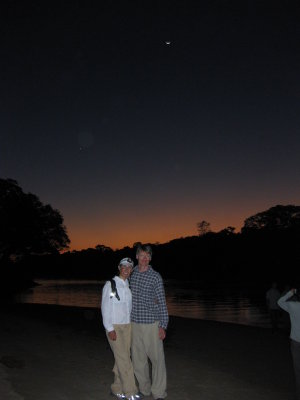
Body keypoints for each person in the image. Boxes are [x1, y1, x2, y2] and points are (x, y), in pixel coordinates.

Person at [130, 244, 168, 400]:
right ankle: (144, 389)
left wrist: (163, 326)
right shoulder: (132, 275)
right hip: (135, 323)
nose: (144, 258)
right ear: (137, 257)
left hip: (152, 324)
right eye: (141, 255)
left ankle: (158, 392)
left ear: (150, 258)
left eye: (147, 256)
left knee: (157, 360)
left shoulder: (155, 276)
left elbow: (162, 302)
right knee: (138, 361)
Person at [101, 257, 139, 400]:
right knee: (124, 360)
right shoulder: (110, 284)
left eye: (129, 267)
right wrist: (110, 328)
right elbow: (105, 308)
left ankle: (116, 388)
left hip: (127, 326)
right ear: (119, 267)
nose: (127, 269)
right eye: (124, 266)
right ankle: (131, 392)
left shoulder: (128, 285)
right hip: (114, 326)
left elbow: (129, 307)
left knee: (122, 358)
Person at [278, 288, 300, 400]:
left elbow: (280, 302)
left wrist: (291, 292)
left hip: (296, 342)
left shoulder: (294, 306)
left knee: (297, 369)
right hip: (296, 342)